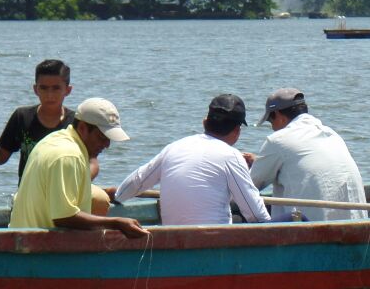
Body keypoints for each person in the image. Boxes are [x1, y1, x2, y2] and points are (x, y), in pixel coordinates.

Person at [0, 58, 110, 214]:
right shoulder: (22, 117)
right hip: (30, 194)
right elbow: (1, 155)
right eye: (44, 88)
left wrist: (76, 181)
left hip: (66, 193)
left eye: (56, 88)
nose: (50, 94)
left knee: (99, 199)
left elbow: (92, 163)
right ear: (35, 89)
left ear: (68, 90)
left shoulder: (76, 123)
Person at [110, 94, 271, 226]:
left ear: (204, 122)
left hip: (173, 242)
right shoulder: (232, 157)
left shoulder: (173, 148)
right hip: (214, 244)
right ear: (237, 131)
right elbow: (257, 216)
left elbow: (133, 185)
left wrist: (116, 196)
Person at [8, 97, 149, 238]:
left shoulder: (54, 139)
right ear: (82, 128)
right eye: (102, 137)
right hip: (39, 249)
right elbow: (64, 217)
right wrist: (116, 223)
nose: (107, 145)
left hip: (19, 238)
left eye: (109, 138)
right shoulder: (69, 156)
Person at [247, 88, 367, 221]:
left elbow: (247, 186)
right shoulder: (331, 134)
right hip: (358, 227)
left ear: (278, 115)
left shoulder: (278, 140)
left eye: (270, 120)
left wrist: (241, 166)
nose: (273, 127)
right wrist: (259, 161)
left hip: (313, 232)